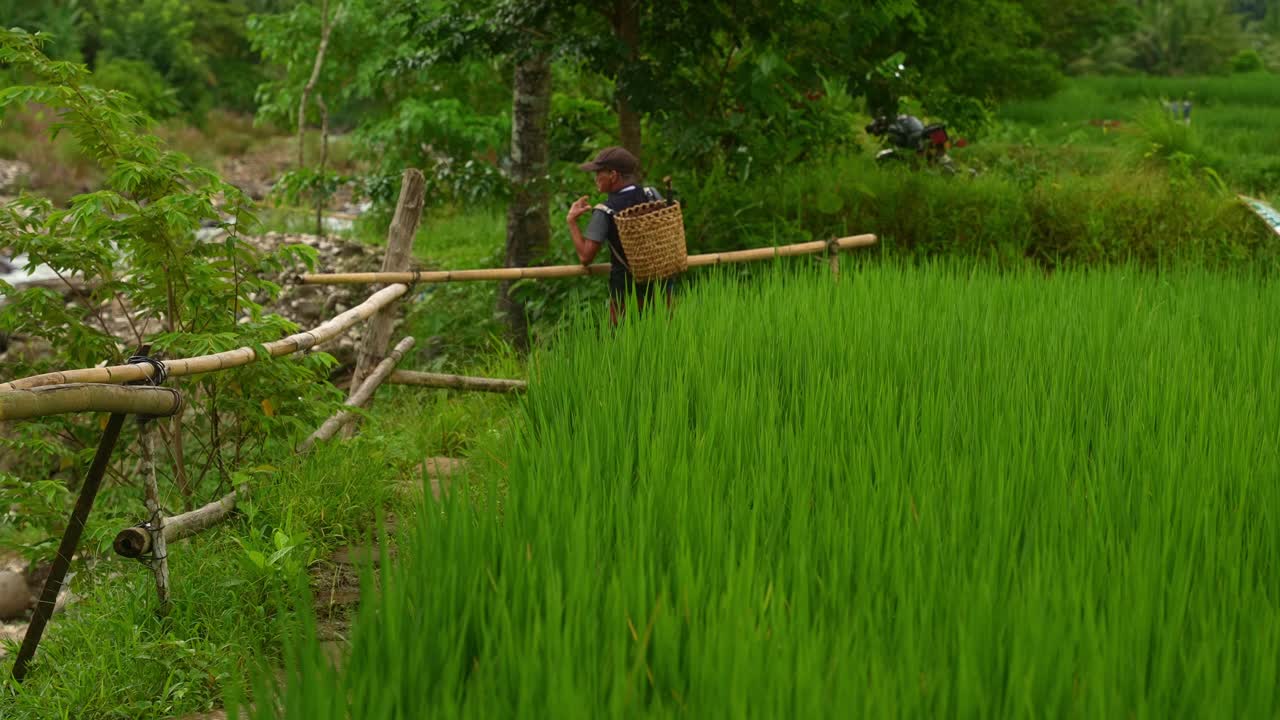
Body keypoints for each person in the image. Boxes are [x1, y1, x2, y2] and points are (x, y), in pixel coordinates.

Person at [566, 146, 673, 325]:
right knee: (665, 343)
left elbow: (585, 256)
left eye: (598, 173)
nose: (595, 179)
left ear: (613, 175)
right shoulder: (652, 195)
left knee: (624, 346)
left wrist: (572, 222)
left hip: (626, 293)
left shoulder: (605, 210)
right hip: (661, 287)